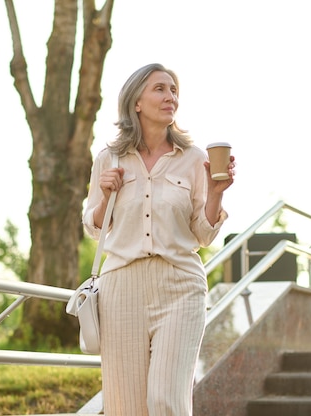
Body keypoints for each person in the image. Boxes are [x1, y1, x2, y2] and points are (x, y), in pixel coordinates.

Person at [82, 63, 236, 416]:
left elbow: (203, 234)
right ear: (136, 102)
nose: (171, 97)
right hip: (122, 287)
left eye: (174, 90)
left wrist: (216, 194)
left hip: (180, 284)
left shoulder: (195, 159)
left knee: (166, 401)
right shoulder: (109, 158)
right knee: (126, 407)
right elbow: (94, 227)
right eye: (160, 89)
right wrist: (106, 196)